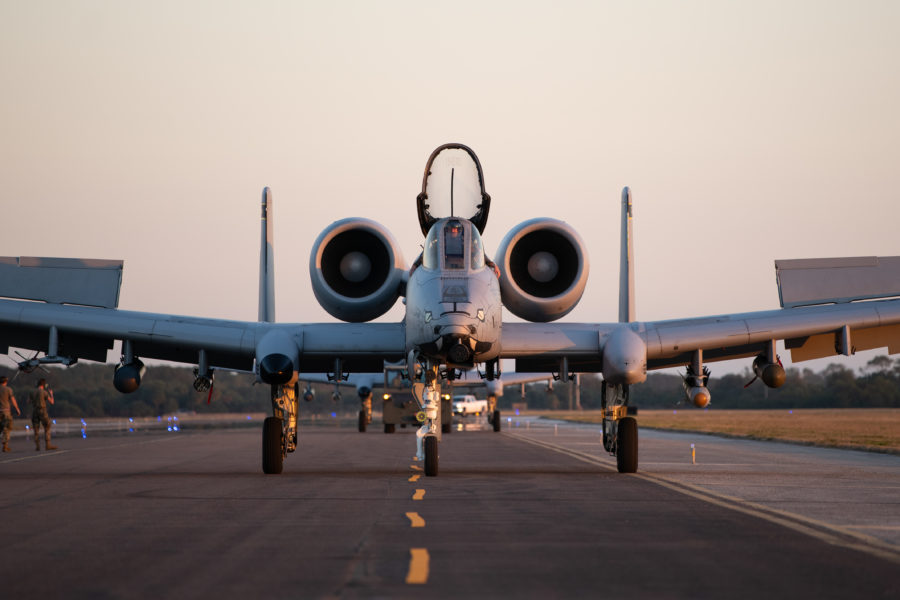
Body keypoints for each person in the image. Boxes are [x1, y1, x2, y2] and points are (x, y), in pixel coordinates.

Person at [29, 378, 57, 451]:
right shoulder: (44, 392)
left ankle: (37, 446)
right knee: (47, 426)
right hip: (42, 410)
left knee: (36, 428)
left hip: (35, 411)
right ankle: (48, 445)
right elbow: (52, 402)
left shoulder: (32, 392)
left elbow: (28, 401)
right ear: (43, 385)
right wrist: (51, 394)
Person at [0, 376, 21, 452]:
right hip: (6, 411)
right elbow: (13, 400)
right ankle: (5, 446)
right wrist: (17, 409)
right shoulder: (8, 389)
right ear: (6, 381)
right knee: (7, 428)